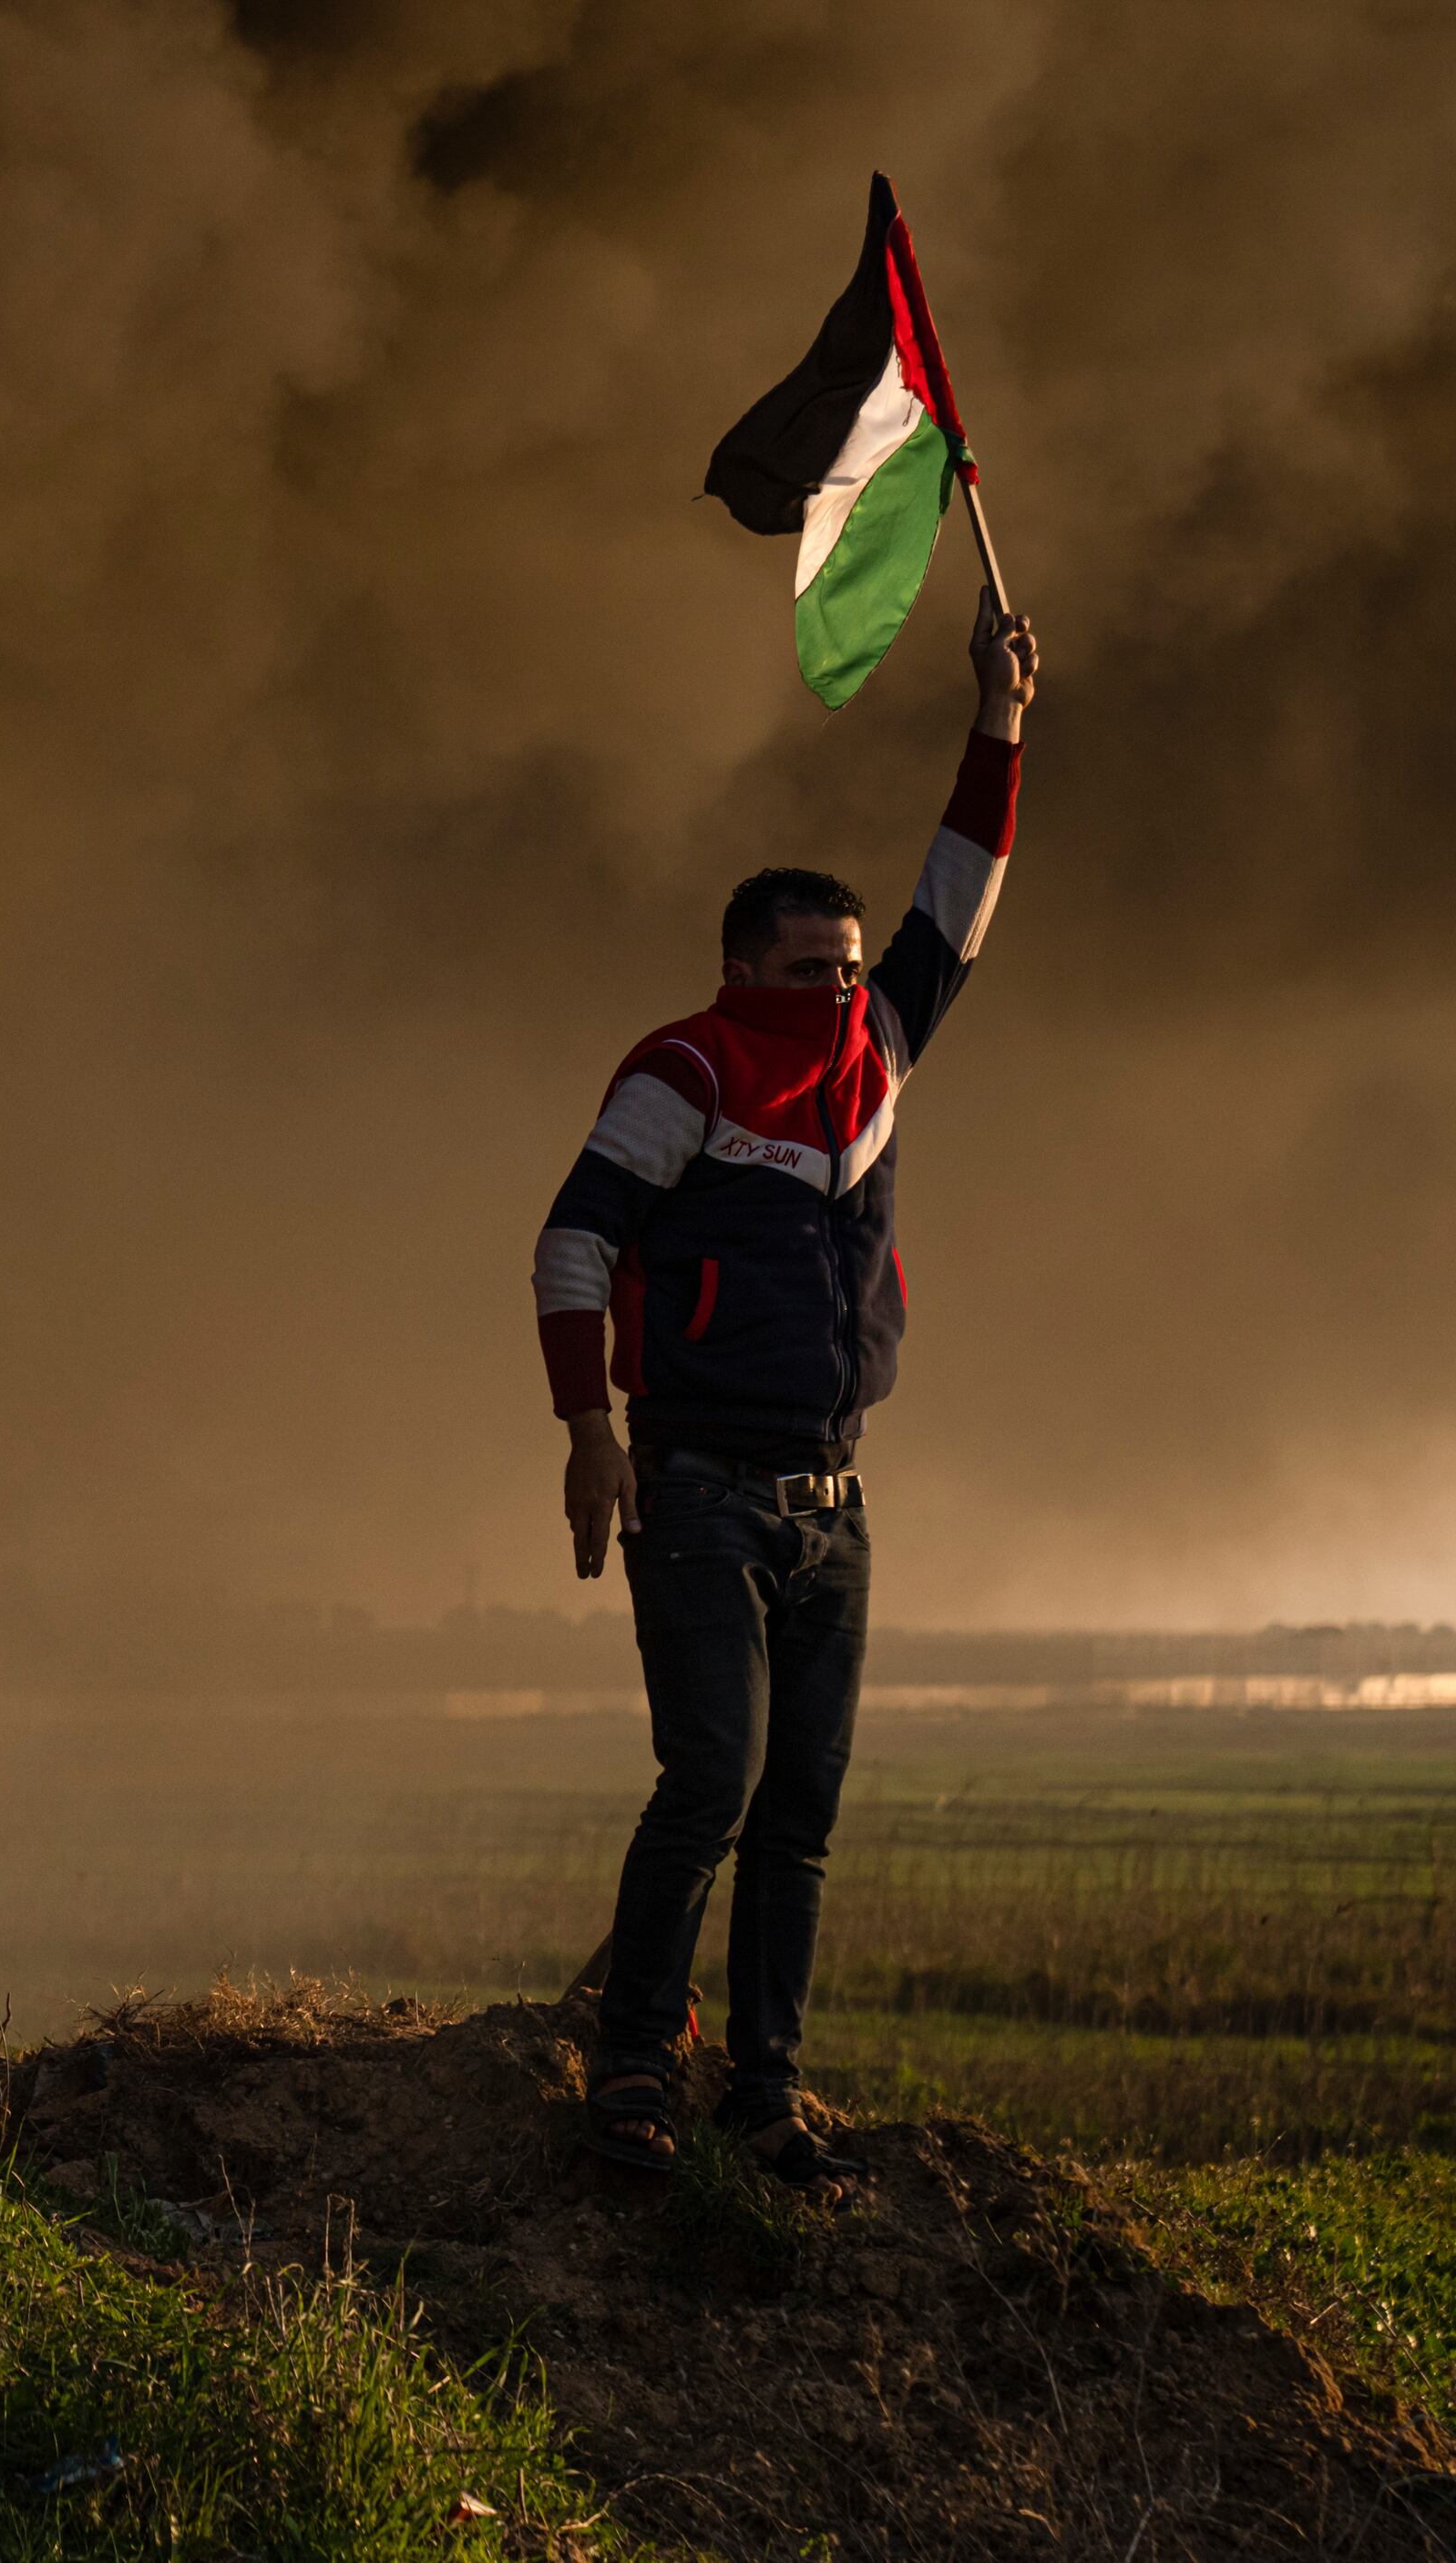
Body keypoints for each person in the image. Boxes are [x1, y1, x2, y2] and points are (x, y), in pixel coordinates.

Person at [532, 583, 1043, 2185]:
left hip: (836, 1503)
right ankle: (632, 2062)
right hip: (697, 1491)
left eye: (843, 962)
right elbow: (569, 1244)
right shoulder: (681, 1070)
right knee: (713, 1781)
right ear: (737, 962)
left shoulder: (875, 1055)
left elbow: (956, 899)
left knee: (801, 1813)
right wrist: (588, 1435)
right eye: (806, 963)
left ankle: (765, 2088)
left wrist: (1000, 720)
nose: (836, 984)